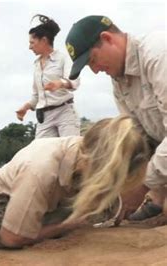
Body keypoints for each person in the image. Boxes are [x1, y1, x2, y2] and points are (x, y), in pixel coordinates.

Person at [0, 116, 150, 248]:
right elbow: (11, 238)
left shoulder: (88, 151)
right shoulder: (40, 169)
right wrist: (67, 226)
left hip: (38, 196)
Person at [65, 15, 166, 222]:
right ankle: (158, 199)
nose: (94, 70)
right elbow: (140, 139)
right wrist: (123, 181)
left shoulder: (158, 54)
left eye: (92, 60)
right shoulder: (119, 82)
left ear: (108, 38)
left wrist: (143, 184)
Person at [16, 14, 80, 138]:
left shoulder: (63, 58)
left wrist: (60, 83)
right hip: (44, 117)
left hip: (65, 113)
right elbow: (37, 96)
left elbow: (74, 81)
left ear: (44, 40)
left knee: (70, 153)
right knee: (39, 154)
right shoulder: (36, 65)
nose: (30, 47)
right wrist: (26, 107)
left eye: (32, 42)